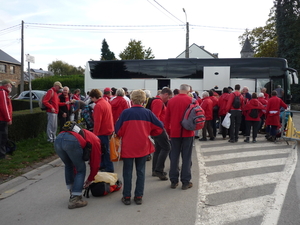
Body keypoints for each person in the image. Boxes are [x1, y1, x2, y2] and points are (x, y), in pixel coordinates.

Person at [115, 89, 163, 205]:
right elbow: (160, 126)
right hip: (143, 145)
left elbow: (118, 131)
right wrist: (150, 133)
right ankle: (138, 196)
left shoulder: (126, 113)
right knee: (140, 171)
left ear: (132, 99)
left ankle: (126, 196)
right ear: (144, 100)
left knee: (127, 172)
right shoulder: (148, 113)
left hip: (128, 146)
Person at [54, 122, 101, 209]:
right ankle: (75, 199)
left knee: (69, 165)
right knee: (81, 169)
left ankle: (73, 191)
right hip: (71, 140)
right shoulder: (96, 142)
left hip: (58, 139)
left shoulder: (87, 134)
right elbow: (95, 164)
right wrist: (90, 179)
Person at [165, 84, 198, 190]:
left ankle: (174, 181)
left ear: (179, 90)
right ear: (188, 91)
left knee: (174, 157)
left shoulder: (171, 101)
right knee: (187, 157)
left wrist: (168, 132)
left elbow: (167, 119)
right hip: (188, 132)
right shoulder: (192, 100)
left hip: (174, 132)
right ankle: (185, 181)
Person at [149, 87, 172, 180]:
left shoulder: (156, 101)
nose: (169, 99)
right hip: (158, 129)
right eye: (169, 97)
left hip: (155, 130)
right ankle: (159, 170)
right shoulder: (158, 102)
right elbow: (155, 117)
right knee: (167, 147)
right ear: (165, 94)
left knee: (158, 149)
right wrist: (161, 127)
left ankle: (155, 169)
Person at [89, 89, 114, 172]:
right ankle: (103, 165)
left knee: (105, 150)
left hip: (102, 131)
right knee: (104, 150)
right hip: (108, 129)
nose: (91, 100)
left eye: (91, 98)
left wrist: (94, 134)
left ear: (94, 97)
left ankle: (109, 168)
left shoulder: (98, 106)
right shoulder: (106, 103)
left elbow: (97, 121)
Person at [0, 79, 14, 159]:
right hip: (2, 119)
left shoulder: (3, 92)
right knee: (3, 137)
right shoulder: (3, 93)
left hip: (2, 119)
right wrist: (8, 119)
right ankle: (2, 155)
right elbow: (4, 107)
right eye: (10, 84)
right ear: (6, 85)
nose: (11, 86)